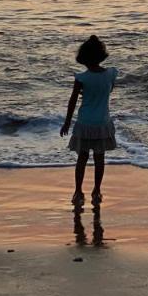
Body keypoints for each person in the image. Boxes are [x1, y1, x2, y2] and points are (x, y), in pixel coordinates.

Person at [60, 35, 118, 209]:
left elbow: (72, 102)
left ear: (83, 58)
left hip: (84, 123)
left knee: (82, 159)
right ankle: (96, 190)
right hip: (102, 123)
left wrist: (67, 123)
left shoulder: (81, 78)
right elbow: (108, 91)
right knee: (99, 159)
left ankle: (78, 191)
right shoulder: (111, 74)